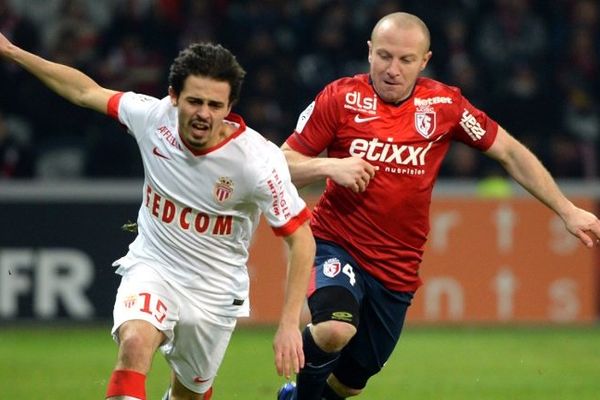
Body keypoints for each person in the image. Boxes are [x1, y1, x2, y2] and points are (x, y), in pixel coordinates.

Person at [277, 12, 600, 400]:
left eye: (405, 60)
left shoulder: (445, 105)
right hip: (334, 242)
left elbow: (510, 153)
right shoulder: (339, 97)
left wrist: (567, 210)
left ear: (424, 61)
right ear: (368, 53)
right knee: (334, 329)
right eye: (383, 56)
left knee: (350, 383)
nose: (392, 69)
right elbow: (281, 165)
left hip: (397, 267)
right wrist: (329, 165)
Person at [0, 33, 316, 400]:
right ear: (173, 96)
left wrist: (290, 324)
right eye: (194, 101)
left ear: (230, 107)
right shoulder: (152, 117)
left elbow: (301, 238)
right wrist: (11, 51)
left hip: (214, 291)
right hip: (154, 266)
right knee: (134, 344)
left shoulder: (257, 163)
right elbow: (85, 91)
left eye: (215, 105)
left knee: (189, 395)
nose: (203, 114)